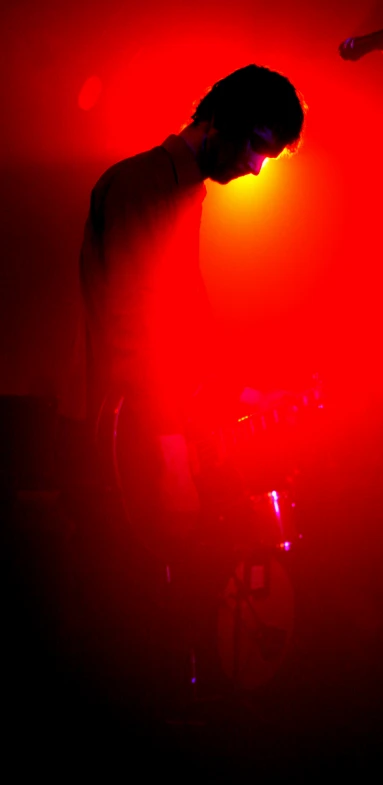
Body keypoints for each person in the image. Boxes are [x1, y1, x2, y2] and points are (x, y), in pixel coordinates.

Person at [77, 64, 305, 549]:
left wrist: (250, 399)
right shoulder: (142, 186)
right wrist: (174, 459)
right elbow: (134, 332)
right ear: (221, 119)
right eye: (257, 146)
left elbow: (177, 342)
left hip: (156, 438)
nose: (257, 167)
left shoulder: (185, 197)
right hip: (135, 451)